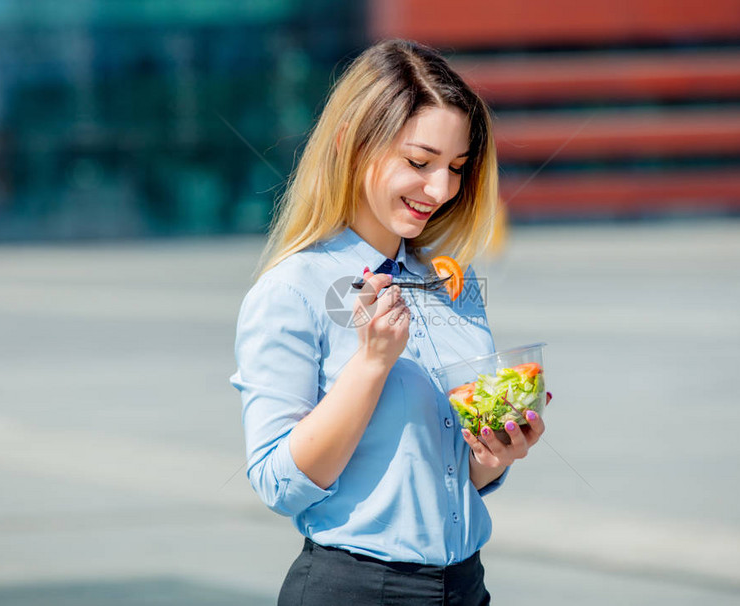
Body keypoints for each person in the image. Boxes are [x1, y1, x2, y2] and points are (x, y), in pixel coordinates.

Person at [230, 39, 547, 605]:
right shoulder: (291, 291)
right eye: (420, 163)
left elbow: (438, 472)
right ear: (352, 143)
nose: (441, 189)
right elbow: (278, 483)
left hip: (464, 587)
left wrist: (492, 455)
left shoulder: (453, 280)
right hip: (356, 590)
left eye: (456, 167)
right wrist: (371, 364)